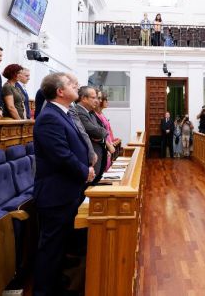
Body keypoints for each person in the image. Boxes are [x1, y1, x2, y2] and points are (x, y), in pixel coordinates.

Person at [33, 72, 95, 296]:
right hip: (56, 193)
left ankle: (58, 286)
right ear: (60, 91)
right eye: (72, 84)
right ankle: (43, 291)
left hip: (67, 190)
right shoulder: (50, 116)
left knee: (61, 246)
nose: (77, 86)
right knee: (51, 248)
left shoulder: (64, 113)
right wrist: (84, 171)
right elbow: (60, 154)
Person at [74, 86, 113, 183]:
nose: (97, 101)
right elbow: (95, 131)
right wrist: (102, 132)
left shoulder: (90, 113)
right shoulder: (79, 112)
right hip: (91, 157)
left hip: (98, 153)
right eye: (94, 98)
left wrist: (101, 133)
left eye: (97, 98)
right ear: (84, 98)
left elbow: (100, 131)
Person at [95, 91, 120, 165]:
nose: (107, 102)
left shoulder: (101, 113)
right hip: (105, 144)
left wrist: (112, 140)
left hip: (109, 143)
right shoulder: (96, 115)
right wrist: (108, 145)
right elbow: (101, 131)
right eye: (106, 100)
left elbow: (108, 129)